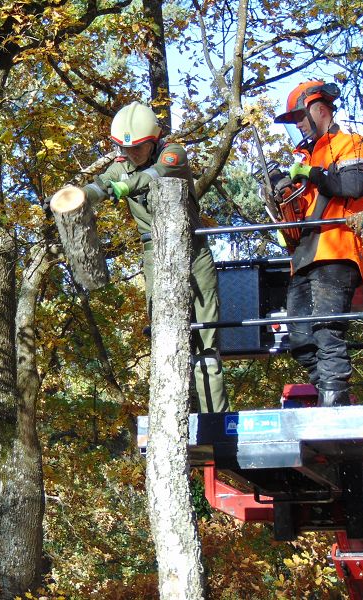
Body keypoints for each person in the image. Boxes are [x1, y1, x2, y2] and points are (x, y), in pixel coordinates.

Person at [81, 101, 229, 413]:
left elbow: (156, 175)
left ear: (153, 141)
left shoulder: (173, 153)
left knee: (205, 340)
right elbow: (102, 184)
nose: (129, 154)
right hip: (155, 255)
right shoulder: (121, 165)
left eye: (136, 148)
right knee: (165, 339)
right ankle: (175, 415)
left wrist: (122, 186)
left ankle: (214, 418)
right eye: (124, 148)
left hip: (194, 253)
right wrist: (80, 197)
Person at [273, 80, 363, 407]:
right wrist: (283, 193)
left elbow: (355, 183)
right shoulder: (304, 156)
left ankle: (333, 404)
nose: (299, 125)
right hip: (304, 256)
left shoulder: (352, 144)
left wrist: (312, 174)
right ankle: (336, 397)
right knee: (300, 338)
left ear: (320, 109)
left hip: (337, 250)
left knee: (327, 332)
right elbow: (297, 214)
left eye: (300, 117)